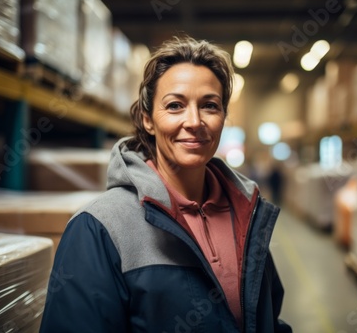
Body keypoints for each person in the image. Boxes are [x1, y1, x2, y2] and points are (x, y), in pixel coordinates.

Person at [40, 36, 292, 333]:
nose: (194, 121)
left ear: (223, 117)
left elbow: (266, 320)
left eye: (210, 106)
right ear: (148, 119)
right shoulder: (99, 227)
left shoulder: (247, 215)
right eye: (175, 106)